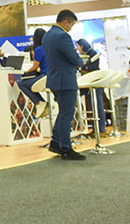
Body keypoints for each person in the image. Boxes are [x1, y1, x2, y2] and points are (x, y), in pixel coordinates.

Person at [43, 9, 85, 160]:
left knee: (63, 113)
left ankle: (56, 142)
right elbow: (74, 58)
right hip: (65, 80)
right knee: (67, 115)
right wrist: (81, 61)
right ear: (66, 22)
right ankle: (66, 148)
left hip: (54, 79)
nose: (71, 29)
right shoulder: (63, 36)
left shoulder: (47, 35)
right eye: (71, 25)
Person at [76, 38, 106, 134]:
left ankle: (101, 128)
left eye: (78, 46)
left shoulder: (92, 54)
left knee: (97, 104)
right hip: (89, 83)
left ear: (82, 46)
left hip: (94, 82)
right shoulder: (87, 54)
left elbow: (92, 67)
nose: (77, 48)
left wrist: (83, 67)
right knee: (93, 105)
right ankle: (96, 128)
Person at [17, 28, 48, 117]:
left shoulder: (39, 49)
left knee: (21, 83)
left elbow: (35, 67)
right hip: (51, 75)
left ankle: (39, 103)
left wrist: (25, 72)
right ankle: (41, 103)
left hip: (45, 76)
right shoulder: (49, 48)